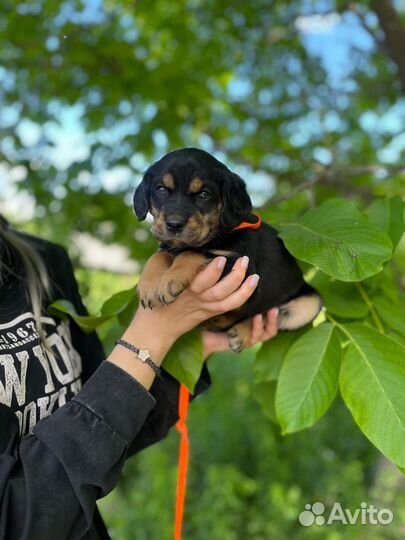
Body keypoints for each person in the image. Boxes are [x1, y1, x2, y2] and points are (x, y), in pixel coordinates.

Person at [0, 214, 279, 540]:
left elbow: (104, 437)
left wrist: (187, 345)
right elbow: (20, 521)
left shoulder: (41, 262)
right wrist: (150, 334)